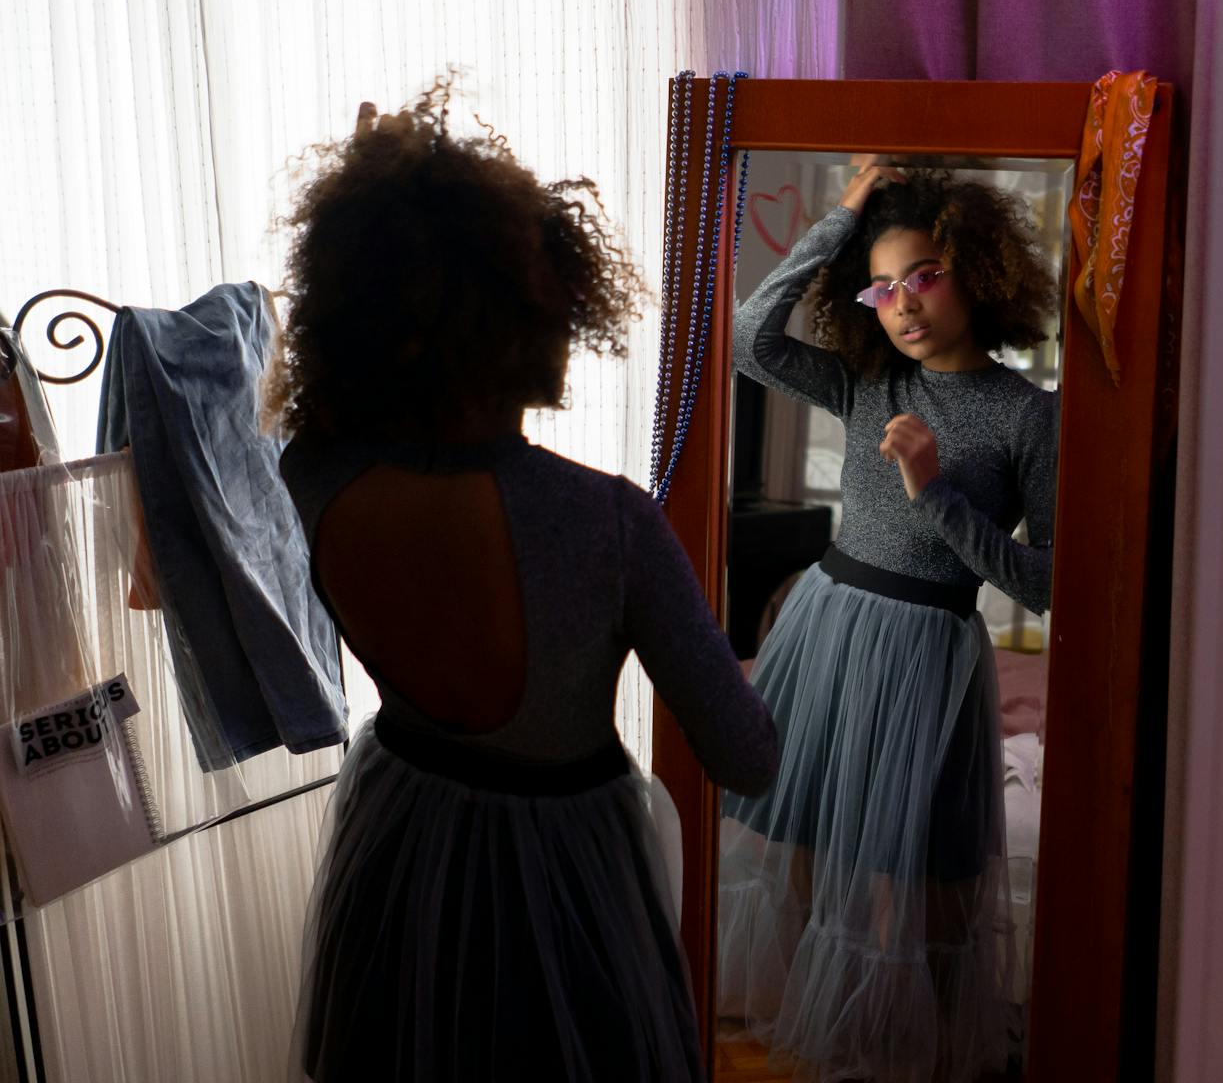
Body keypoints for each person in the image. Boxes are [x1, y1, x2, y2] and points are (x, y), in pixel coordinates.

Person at [267, 87, 779, 1082]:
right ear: (531, 319)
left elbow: (329, 403)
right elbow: (747, 757)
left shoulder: (313, 474)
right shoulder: (610, 521)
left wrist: (373, 236)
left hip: (406, 846)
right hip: (569, 877)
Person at [718, 161, 1058, 1082]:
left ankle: (931, 1061)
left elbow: (1045, 582)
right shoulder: (870, 386)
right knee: (806, 847)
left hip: (930, 647)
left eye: (925, 276)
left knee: (939, 889)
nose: (903, 305)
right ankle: (811, 1046)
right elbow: (750, 338)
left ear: (979, 271)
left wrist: (935, 495)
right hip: (827, 628)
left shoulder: (1031, 417)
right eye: (883, 287)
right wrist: (846, 215)